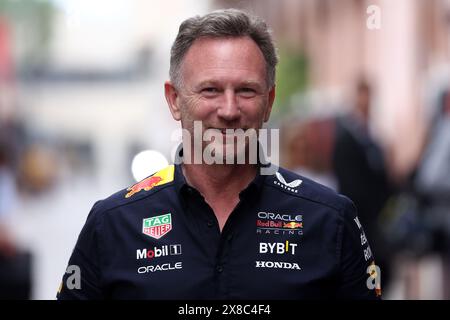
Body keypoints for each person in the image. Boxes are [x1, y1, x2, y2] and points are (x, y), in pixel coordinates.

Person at [57, 9, 380, 300]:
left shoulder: (331, 219)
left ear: (269, 102)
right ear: (174, 100)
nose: (228, 110)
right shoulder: (112, 223)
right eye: (210, 90)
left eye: (246, 90)